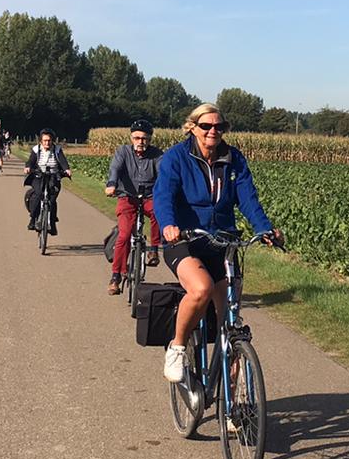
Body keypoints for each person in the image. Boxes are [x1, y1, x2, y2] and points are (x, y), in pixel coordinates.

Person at [152, 103, 281, 384]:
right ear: (192, 127)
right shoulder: (177, 157)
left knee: (230, 316)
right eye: (206, 126)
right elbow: (163, 195)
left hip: (223, 240)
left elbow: (248, 198)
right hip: (185, 239)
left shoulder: (234, 159)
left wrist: (264, 228)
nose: (213, 131)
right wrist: (169, 225)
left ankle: (233, 386)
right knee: (201, 289)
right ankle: (177, 347)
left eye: (219, 126)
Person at [105, 119, 163, 295]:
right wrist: (112, 184)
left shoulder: (157, 155)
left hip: (149, 196)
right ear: (131, 138)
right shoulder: (123, 152)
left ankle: (153, 249)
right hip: (127, 196)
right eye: (137, 138)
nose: (140, 142)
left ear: (150, 139)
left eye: (144, 138)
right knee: (124, 235)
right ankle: (116, 276)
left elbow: (163, 173)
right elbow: (115, 168)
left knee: (159, 212)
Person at [22, 128, 71, 235]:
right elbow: (30, 161)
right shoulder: (36, 149)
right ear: (41, 141)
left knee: (52, 200)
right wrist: (28, 167)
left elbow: (63, 161)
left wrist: (67, 169)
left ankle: (52, 223)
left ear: (52, 140)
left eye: (49, 140)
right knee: (38, 194)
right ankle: (33, 219)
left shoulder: (57, 150)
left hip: (53, 176)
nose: (47, 143)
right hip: (38, 176)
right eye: (44, 140)